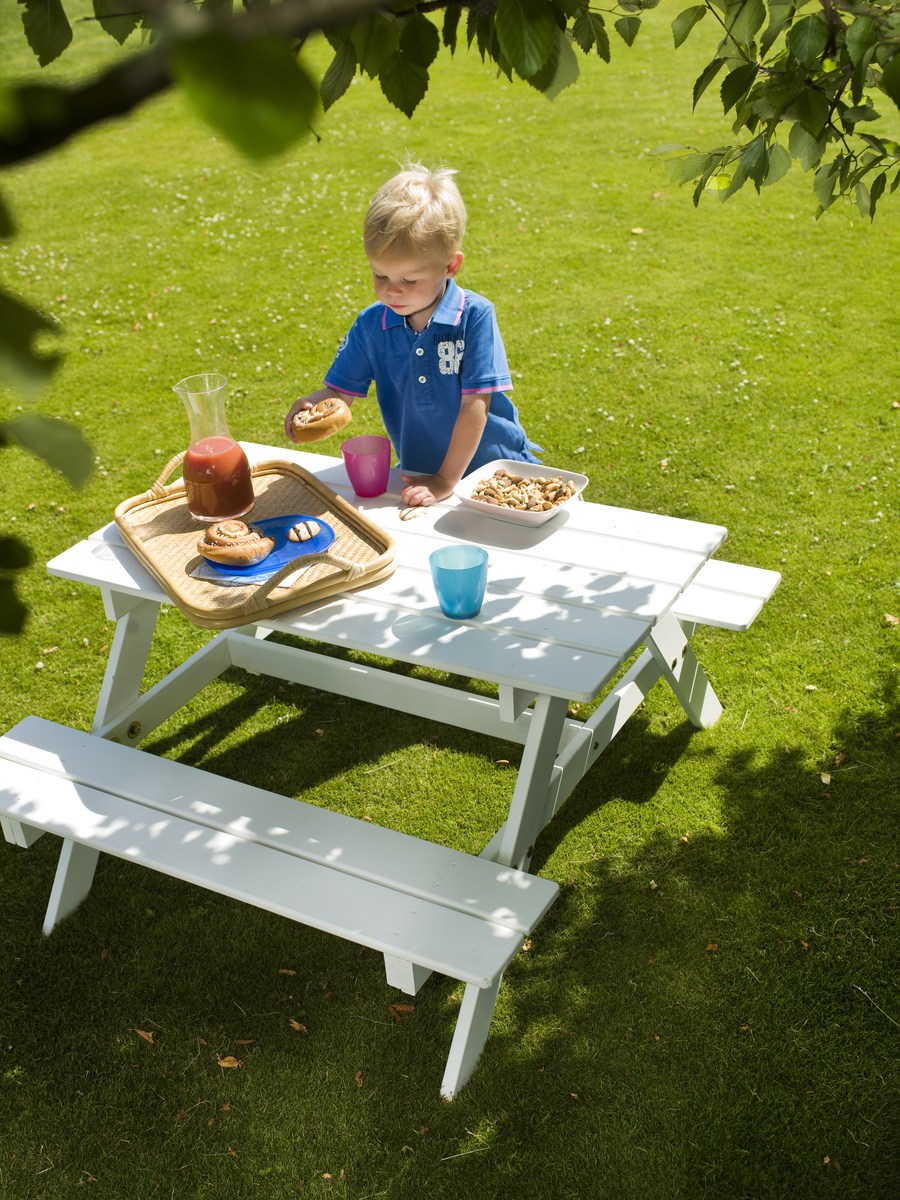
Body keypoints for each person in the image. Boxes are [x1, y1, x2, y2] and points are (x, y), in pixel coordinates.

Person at [283, 163, 540, 506]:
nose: (393, 292)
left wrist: (445, 480)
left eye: (409, 280)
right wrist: (311, 408)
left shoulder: (474, 316)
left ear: (450, 266)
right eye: (380, 276)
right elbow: (338, 393)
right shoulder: (372, 325)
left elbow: (474, 405)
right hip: (419, 473)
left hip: (496, 473)